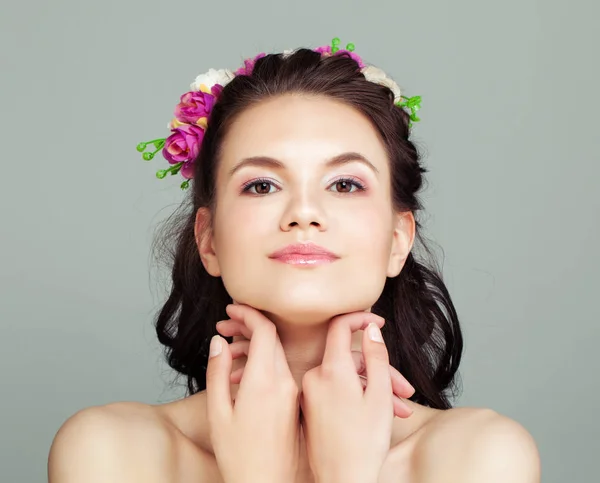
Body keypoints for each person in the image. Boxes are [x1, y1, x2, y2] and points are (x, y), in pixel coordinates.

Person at [47, 38, 541, 482]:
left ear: (397, 239)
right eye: (261, 185)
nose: (304, 213)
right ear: (209, 239)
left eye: (345, 184)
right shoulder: (109, 453)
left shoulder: (482, 458)